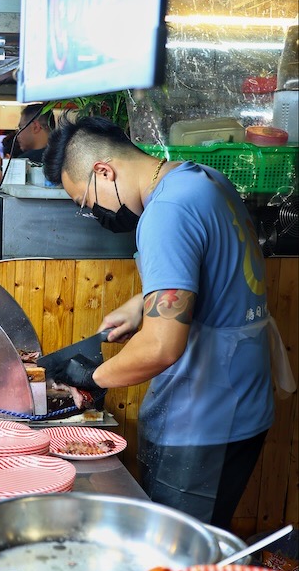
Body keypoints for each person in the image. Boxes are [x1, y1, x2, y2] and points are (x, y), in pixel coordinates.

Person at [43, 114, 277, 529]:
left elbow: (160, 347)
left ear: (104, 171)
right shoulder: (204, 180)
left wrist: (92, 377)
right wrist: (141, 305)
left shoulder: (166, 213)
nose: (96, 213)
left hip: (203, 416)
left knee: (178, 552)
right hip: (245, 400)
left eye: (86, 203)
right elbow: (211, 268)